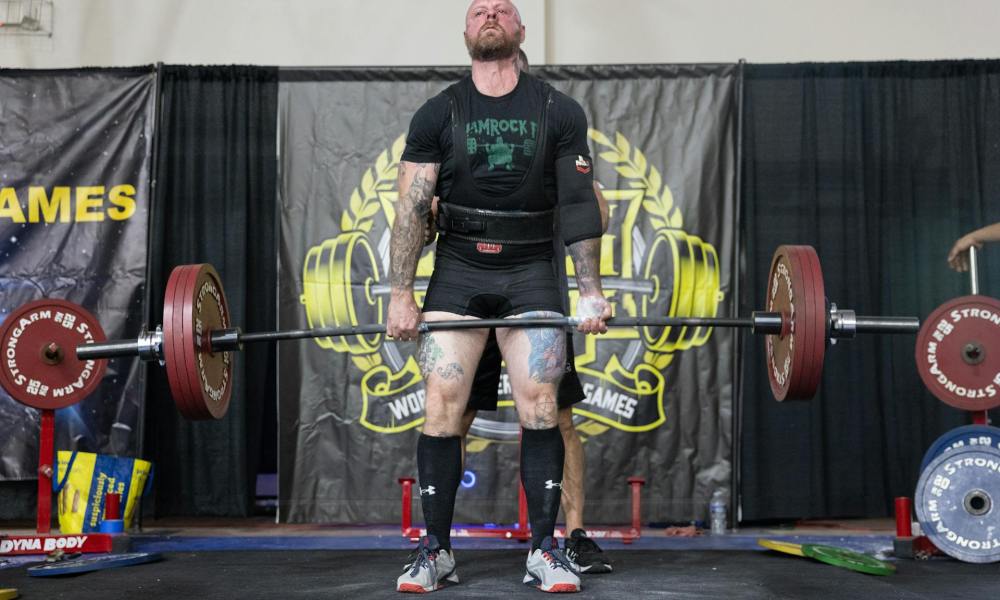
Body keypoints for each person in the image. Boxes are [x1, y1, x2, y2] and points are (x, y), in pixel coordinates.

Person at [387, 0, 611, 593]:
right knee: (441, 405)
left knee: (540, 403)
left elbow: (580, 204)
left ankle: (544, 549)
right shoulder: (438, 112)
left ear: (520, 29)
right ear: (466, 31)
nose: (490, 15)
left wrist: (589, 290)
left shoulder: (559, 110)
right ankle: (435, 551)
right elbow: (412, 209)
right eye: (479, 9)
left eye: (503, 9)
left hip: (532, 269)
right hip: (458, 268)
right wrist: (401, 294)